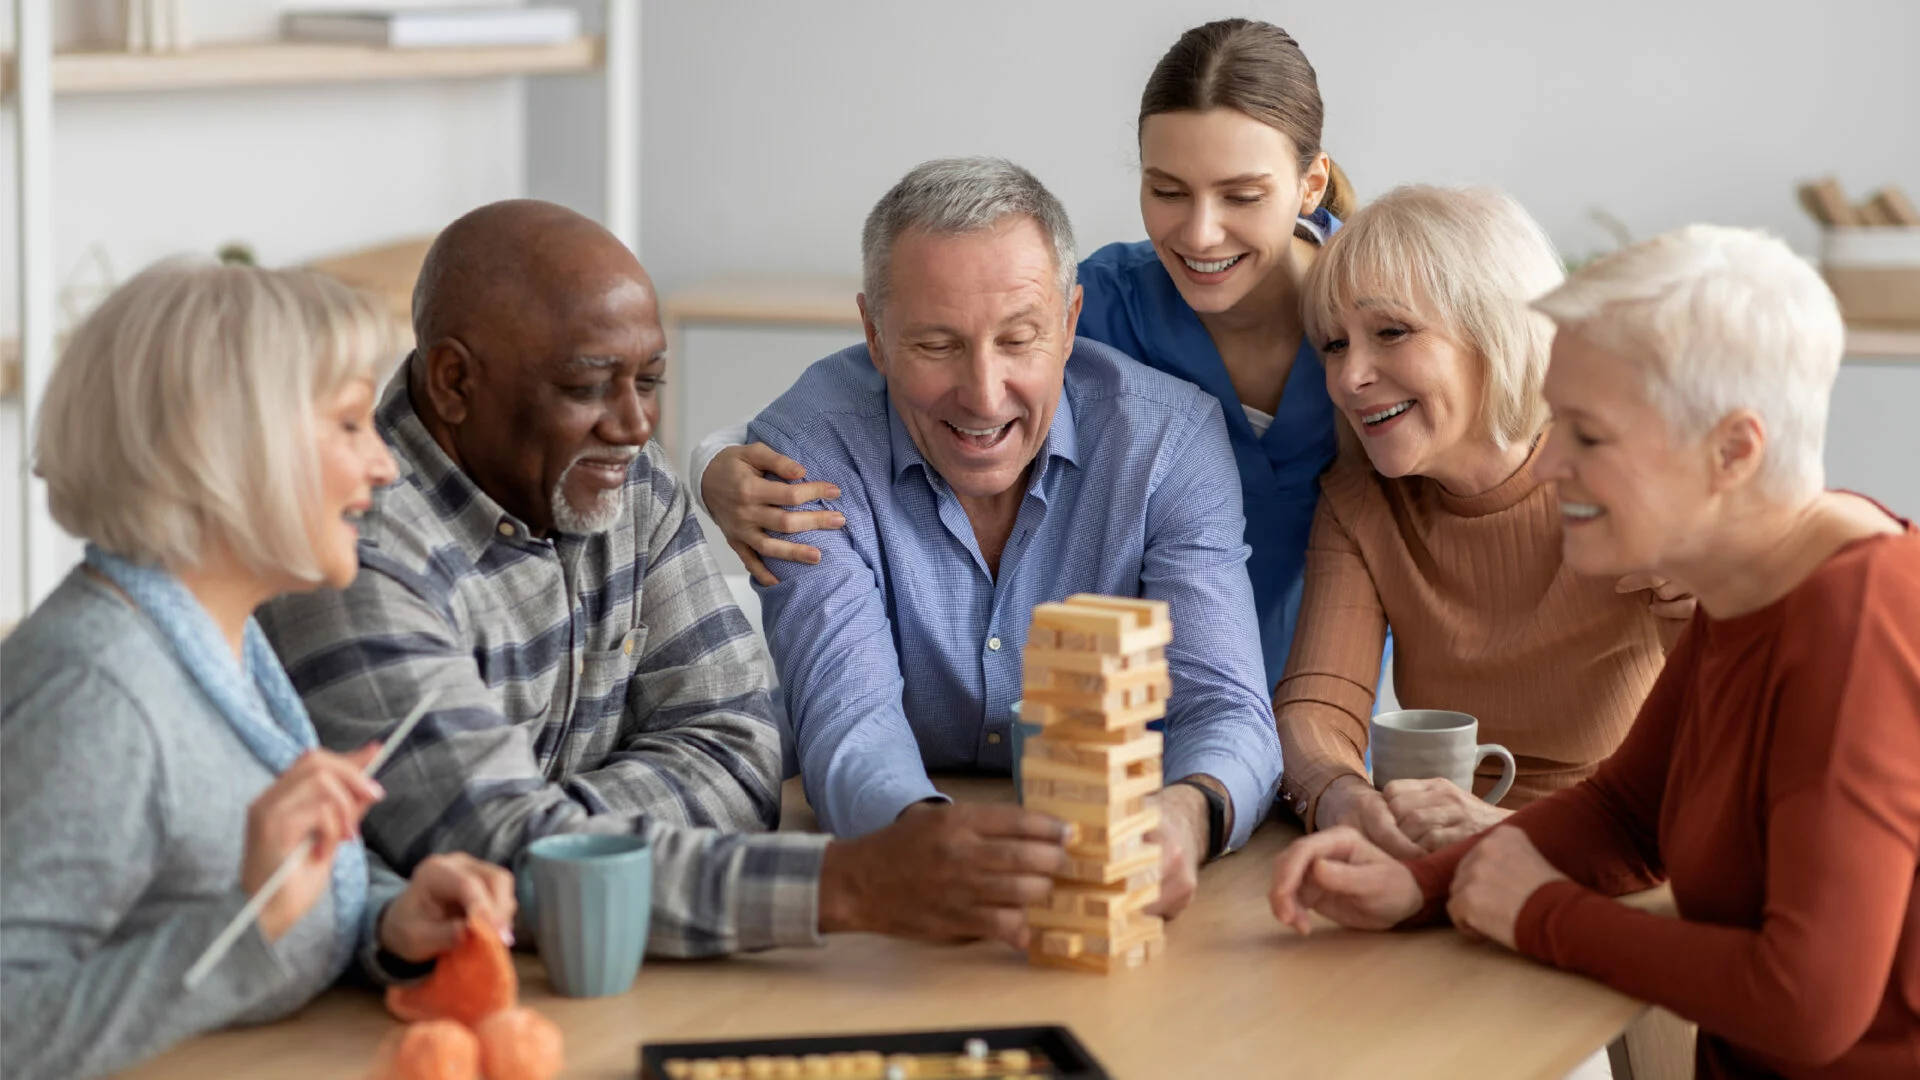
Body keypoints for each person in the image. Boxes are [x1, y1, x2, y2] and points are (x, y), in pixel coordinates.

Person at [259, 200, 1076, 958]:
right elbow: (487, 855)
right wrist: (845, 886)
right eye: (586, 387)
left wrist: (554, 837)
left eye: (649, 380)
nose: (636, 425)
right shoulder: (348, 550)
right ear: (453, 383)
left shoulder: (628, 480)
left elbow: (741, 749)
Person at [1269, 225, 1920, 1080]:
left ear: (1733, 451)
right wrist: (1418, 888)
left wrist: (1540, 914)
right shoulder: (1756, 577)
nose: (1548, 469)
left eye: (1589, 435)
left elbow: (1806, 1007)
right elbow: (1624, 817)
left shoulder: (1860, 623)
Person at [697, 18, 1352, 693]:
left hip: (1324, 700)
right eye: (1167, 191)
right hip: (1137, 714)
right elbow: (896, 369)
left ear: (1311, 184)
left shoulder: (1382, 311)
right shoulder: (1099, 303)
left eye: (1242, 196)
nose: (1201, 233)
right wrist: (712, 465)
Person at [1, 260, 517, 1080]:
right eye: (350, 424)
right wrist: (248, 919)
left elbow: (243, 884)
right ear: (228, 450)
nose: (385, 466)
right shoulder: (99, 696)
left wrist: (388, 918)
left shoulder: (223, 636)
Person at [746, 157, 1280, 918]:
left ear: (1069, 323)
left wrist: (1187, 816)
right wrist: (928, 847)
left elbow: (1225, 705)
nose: (984, 394)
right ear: (874, 335)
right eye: (937, 346)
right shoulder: (807, 449)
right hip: (893, 874)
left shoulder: (1170, 440)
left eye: (1019, 339)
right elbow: (848, 717)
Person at [1274, 186, 1690, 857]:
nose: (1349, 377)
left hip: (1617, 859)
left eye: (1391, 332)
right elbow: (1317, 710)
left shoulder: (1639, 472)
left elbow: (1739, 753)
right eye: (1334, 345)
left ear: (1495, 329)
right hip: (1439, 857)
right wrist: (1345, 799)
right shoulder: (1362, 504)